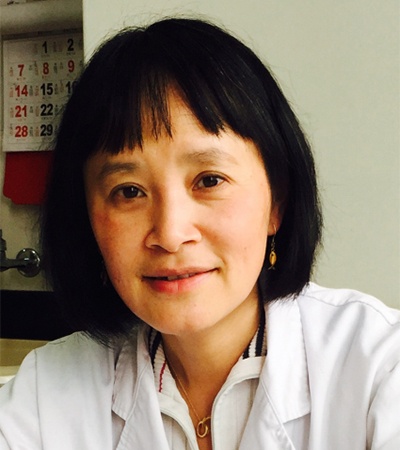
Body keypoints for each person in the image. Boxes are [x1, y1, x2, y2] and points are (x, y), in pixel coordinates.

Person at [0, 17, 399, 450]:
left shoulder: (380, 368)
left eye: (209, 180)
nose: (170, 234)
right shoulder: (43, 396)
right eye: (129, 191)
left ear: (277, 204)